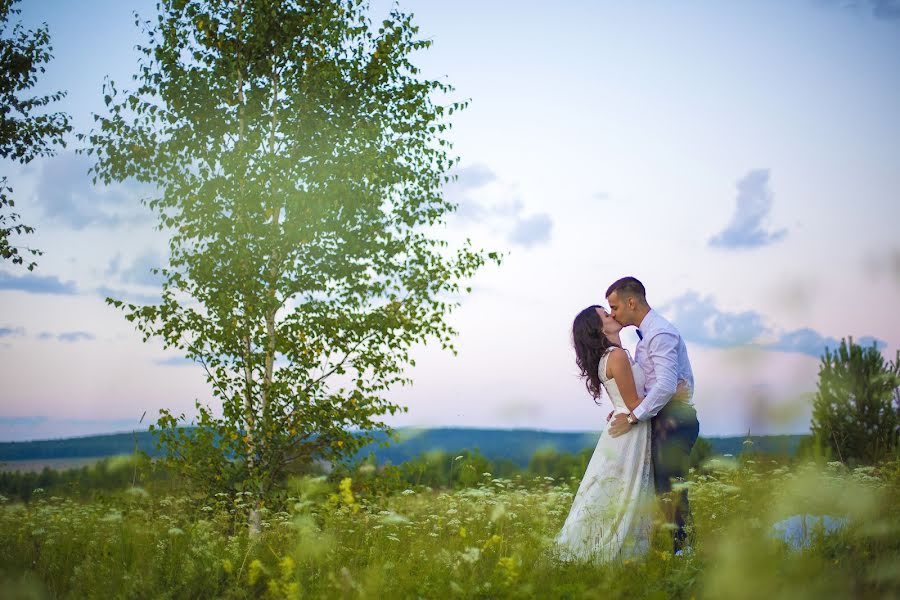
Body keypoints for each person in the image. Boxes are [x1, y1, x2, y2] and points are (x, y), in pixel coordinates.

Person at [553, 305, 655, 563]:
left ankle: (592, 548)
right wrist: (673, 395)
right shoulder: (617, 355)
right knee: (621, 492)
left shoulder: (611, 356)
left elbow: (624, 402)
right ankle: (604, 551)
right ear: (599, 328)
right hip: (630, 431)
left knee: (612, 492)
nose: (612, 316)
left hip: (623, 428)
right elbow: (634, 404)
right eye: (605, 315)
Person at [605, 276, 699, 554]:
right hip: (661, 417)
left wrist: (633, 417)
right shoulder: (646, 337)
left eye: (614, 307)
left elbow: (668, 385)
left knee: (670, 486)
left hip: (675, 419)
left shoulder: (660, 333)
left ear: (631, 302)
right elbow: (651, 385)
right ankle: (678, 548)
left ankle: (685, 551)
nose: (612, 314)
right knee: (662, 488)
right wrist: (625, 406)